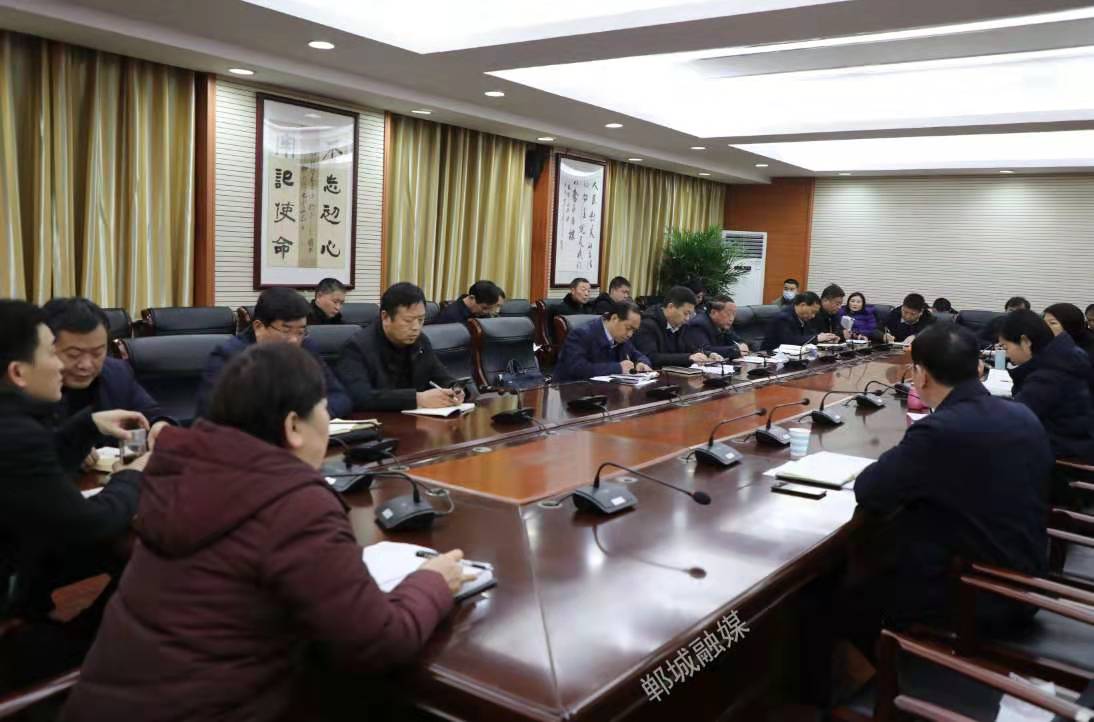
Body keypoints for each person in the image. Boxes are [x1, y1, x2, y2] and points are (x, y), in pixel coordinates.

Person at [62, 344, 469, 722]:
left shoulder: (179, 472)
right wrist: (432, 582)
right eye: (323, 409)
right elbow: (377, 642)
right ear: (293, 426)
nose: (327, 420)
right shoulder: (292, 504)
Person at [850, 323, 1050, 643]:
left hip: (975, 595)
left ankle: (882, 662)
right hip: (1026, 581)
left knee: (846, 588)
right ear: (979, 368)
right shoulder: (1022, 414)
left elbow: (870, 490)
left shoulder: (940, 431)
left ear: (920, 375)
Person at [0, 300, 147, 666]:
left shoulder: (14, 422)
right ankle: (77, 658)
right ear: (18, 372)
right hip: (13, 577)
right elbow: (90, 525)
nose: (62, 367)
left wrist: (87, 424)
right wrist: (132, 475)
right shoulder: (14, 433)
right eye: (53, 353)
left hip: (20, 557)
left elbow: (36, 474)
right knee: (144, 556)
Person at [195, 288, 352, 419]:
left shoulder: (306, 348)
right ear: (258, 327)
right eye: (286, 331)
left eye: (300, 332)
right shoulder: (229, 357)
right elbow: (212, 417)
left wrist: (309, 418)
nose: (294, 340)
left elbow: (339, 397)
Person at [43, 298, 172, 449]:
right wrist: (68, 448)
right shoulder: (30, 384)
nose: (86, 365)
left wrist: (160, 425)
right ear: (45, 348)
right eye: (74, 354)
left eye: (97, 353)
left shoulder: (116, 373)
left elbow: (151, 414)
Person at [336, 282, 463, 411]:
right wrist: (417, 399)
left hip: (416, 418)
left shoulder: (421, 342)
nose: (416, 327)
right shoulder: (357, 347)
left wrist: (455, 389)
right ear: (385, 317)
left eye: (421, 320)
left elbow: (441, 376)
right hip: (378, 420)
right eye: (408, 321)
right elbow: (359, 397)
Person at [998, 310, 1094, 464]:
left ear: (1025, 341)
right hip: (1073, 445)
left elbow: (1014, 418)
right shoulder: (1064, 358)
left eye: (1006, 347)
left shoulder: (1048, 376)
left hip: (1063, 460)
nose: (1007, 355)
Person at [553, 301, 652, 383]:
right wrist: (618, 368)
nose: (630, 334)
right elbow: (577, 368)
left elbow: (637, 354)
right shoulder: (581, 334)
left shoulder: (621, 337)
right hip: (573, 391)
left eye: (634, 331)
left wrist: (641, 363)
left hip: (607, 391)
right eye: (628, 328)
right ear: (614, 318)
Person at [634, 286, 716, 368]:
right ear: (671, 307)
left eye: (690, 315)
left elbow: (691, 348)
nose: (687, 318)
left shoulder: (681, 324)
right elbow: (651, 357)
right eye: (685, 313)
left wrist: (708, 354)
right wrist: (688, 358)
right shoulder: (648, 325)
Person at [683, 295, 745, 360]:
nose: (731, 319)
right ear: (713, 312)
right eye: (728, 314)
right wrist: (735, 350)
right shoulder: (699, 324)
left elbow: (737, 340)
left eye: (734, 315)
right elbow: (704, 349)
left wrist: (743, 344)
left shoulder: (724, 325)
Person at [435, 280, 505, 325]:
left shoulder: (482, 315)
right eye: (484, 308)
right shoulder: (450, 316)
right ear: (472, 298)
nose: (486, 312)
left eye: (490, 308)